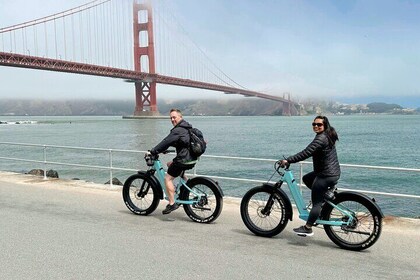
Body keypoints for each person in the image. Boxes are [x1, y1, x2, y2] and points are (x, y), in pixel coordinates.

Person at [280, 115, 340, 237]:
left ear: (325, 125)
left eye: (319, 125)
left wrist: (288, 160)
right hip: (330, 172)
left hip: (325, 175)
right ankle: (324, 197)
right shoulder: (327, 135)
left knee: (316, 202)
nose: (316, 126)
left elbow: (306, 153)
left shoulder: (321, 138)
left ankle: (308, 227)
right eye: (314, 124)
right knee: (307, 179)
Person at [149, 108, 197, 214]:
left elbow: (166, 141)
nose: (172, 119)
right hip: (191, 158)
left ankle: (172, 203)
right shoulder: (187, 127)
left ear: (180, 117)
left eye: (174, 117)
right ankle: (185, 188)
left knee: (168, 178)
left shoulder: (177, 130)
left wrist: (153, 151)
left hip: (184, 159)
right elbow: (180, 143)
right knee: (171, 164)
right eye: (170, 118)